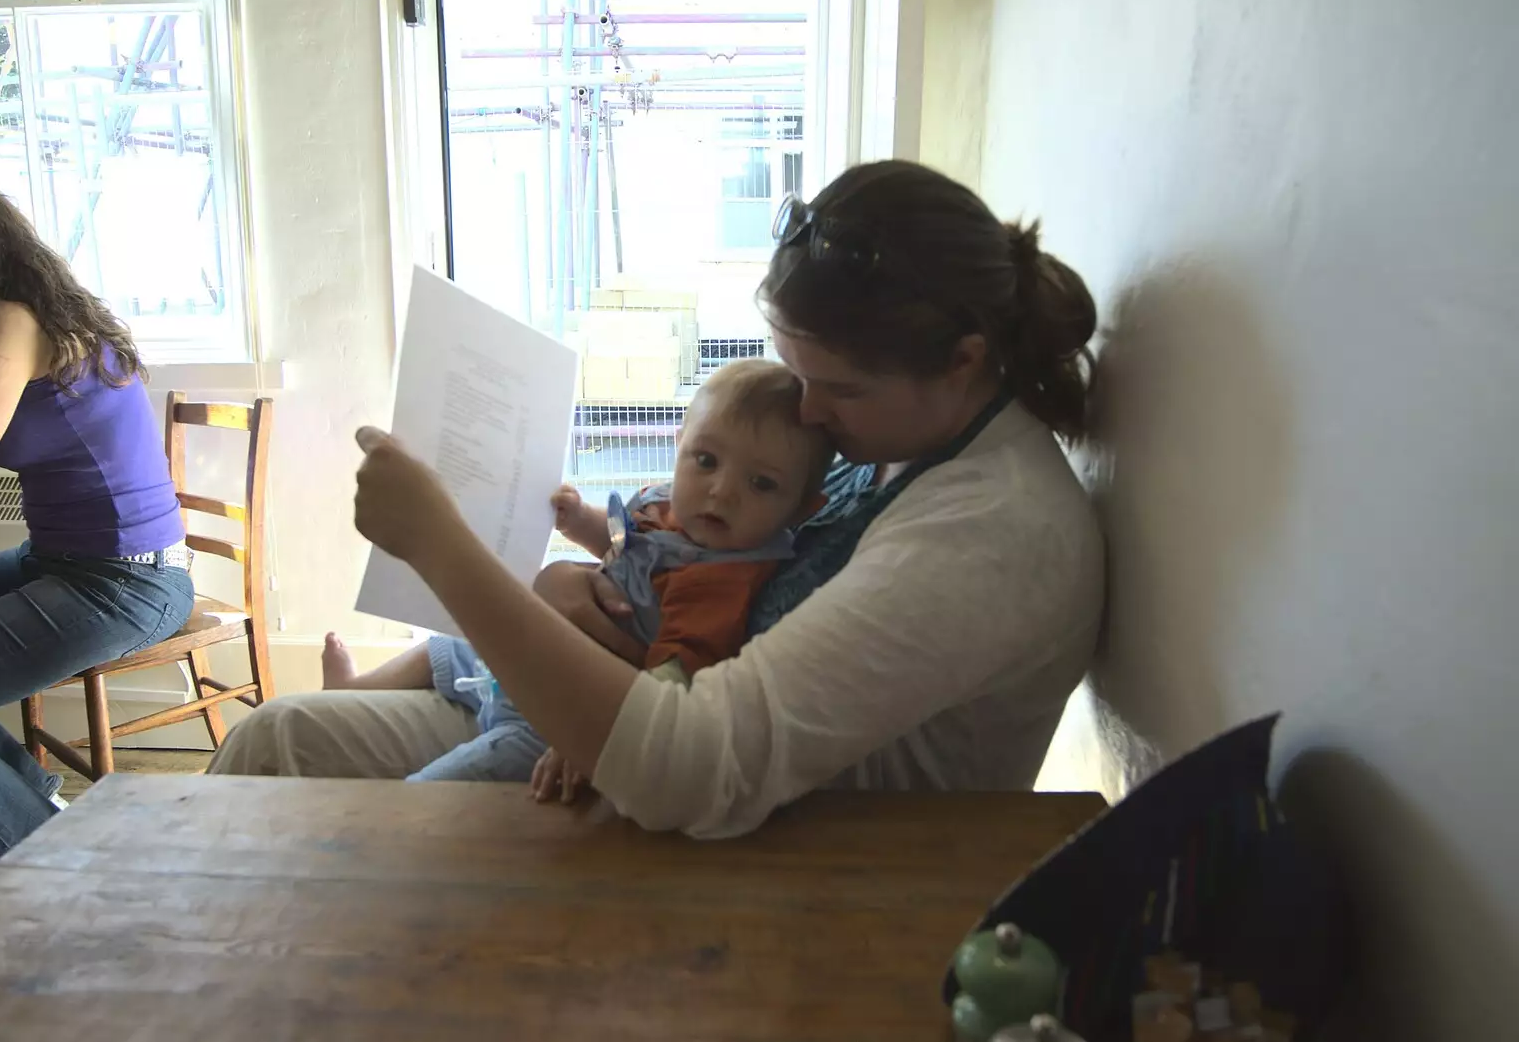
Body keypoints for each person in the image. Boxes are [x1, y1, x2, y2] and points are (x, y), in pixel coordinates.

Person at [210, 160, 1105, 839]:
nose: (805, 412)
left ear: (965, 358)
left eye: (841, 388)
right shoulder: (896, 439)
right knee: (276, 739)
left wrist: (440, 544)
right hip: (632, 722)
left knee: (366, 849)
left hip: (770, 846)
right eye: (796, 373)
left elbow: (693, 765)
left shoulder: (989, 530)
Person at [305, 359, 834, 794]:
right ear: (680, 443)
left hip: (560, 710)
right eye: (706, 460)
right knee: (451, 640)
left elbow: (673, 678)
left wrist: (591, 738)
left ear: (801, 509)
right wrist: (580, 523)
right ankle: (354, 688)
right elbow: (624, 547)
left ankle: (405, 806)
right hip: (533, 652)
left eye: (761, 484)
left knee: (435, 794)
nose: (722, 491)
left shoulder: (725, 578)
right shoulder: (670, 507)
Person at [0, 169, 194, 890]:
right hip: (68, 562)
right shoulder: (22, 317)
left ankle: (27, 882)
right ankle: (34, 814)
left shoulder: (7, 326)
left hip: (126, 581)